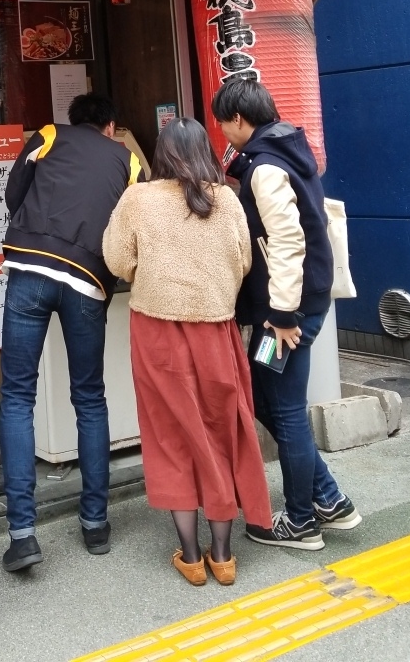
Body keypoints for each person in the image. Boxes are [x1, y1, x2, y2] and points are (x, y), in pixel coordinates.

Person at [102, 118, 272, 586]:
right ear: (205, 151)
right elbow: (243, 262)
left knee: (169, 436)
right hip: (216, 330)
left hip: (157, 332)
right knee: (221, 433)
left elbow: (117, 260)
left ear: (162, 153)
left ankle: (192, 558)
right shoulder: (227, 199)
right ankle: (224, 557)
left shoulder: (138, 198)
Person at [211, 78, 361, 550]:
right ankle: (328, 499)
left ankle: (300, 521)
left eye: (223, 123)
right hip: (300, 304)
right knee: (264, 396)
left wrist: (281, 313)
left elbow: (287, 239)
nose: (222, 132)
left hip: (286, 315)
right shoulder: (286, 151)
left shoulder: (267, 167)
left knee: (285, 409)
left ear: (239, 119)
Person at [0, 93, 141, 573]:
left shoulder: (49, 134)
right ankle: (95, 524)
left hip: (29, 270)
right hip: (87, 280)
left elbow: (13, 194)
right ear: (110, 126)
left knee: (18, 397)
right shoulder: (128, 159)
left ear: (73, 120)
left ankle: (22, 536)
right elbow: (131, 227)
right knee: (90, 398)